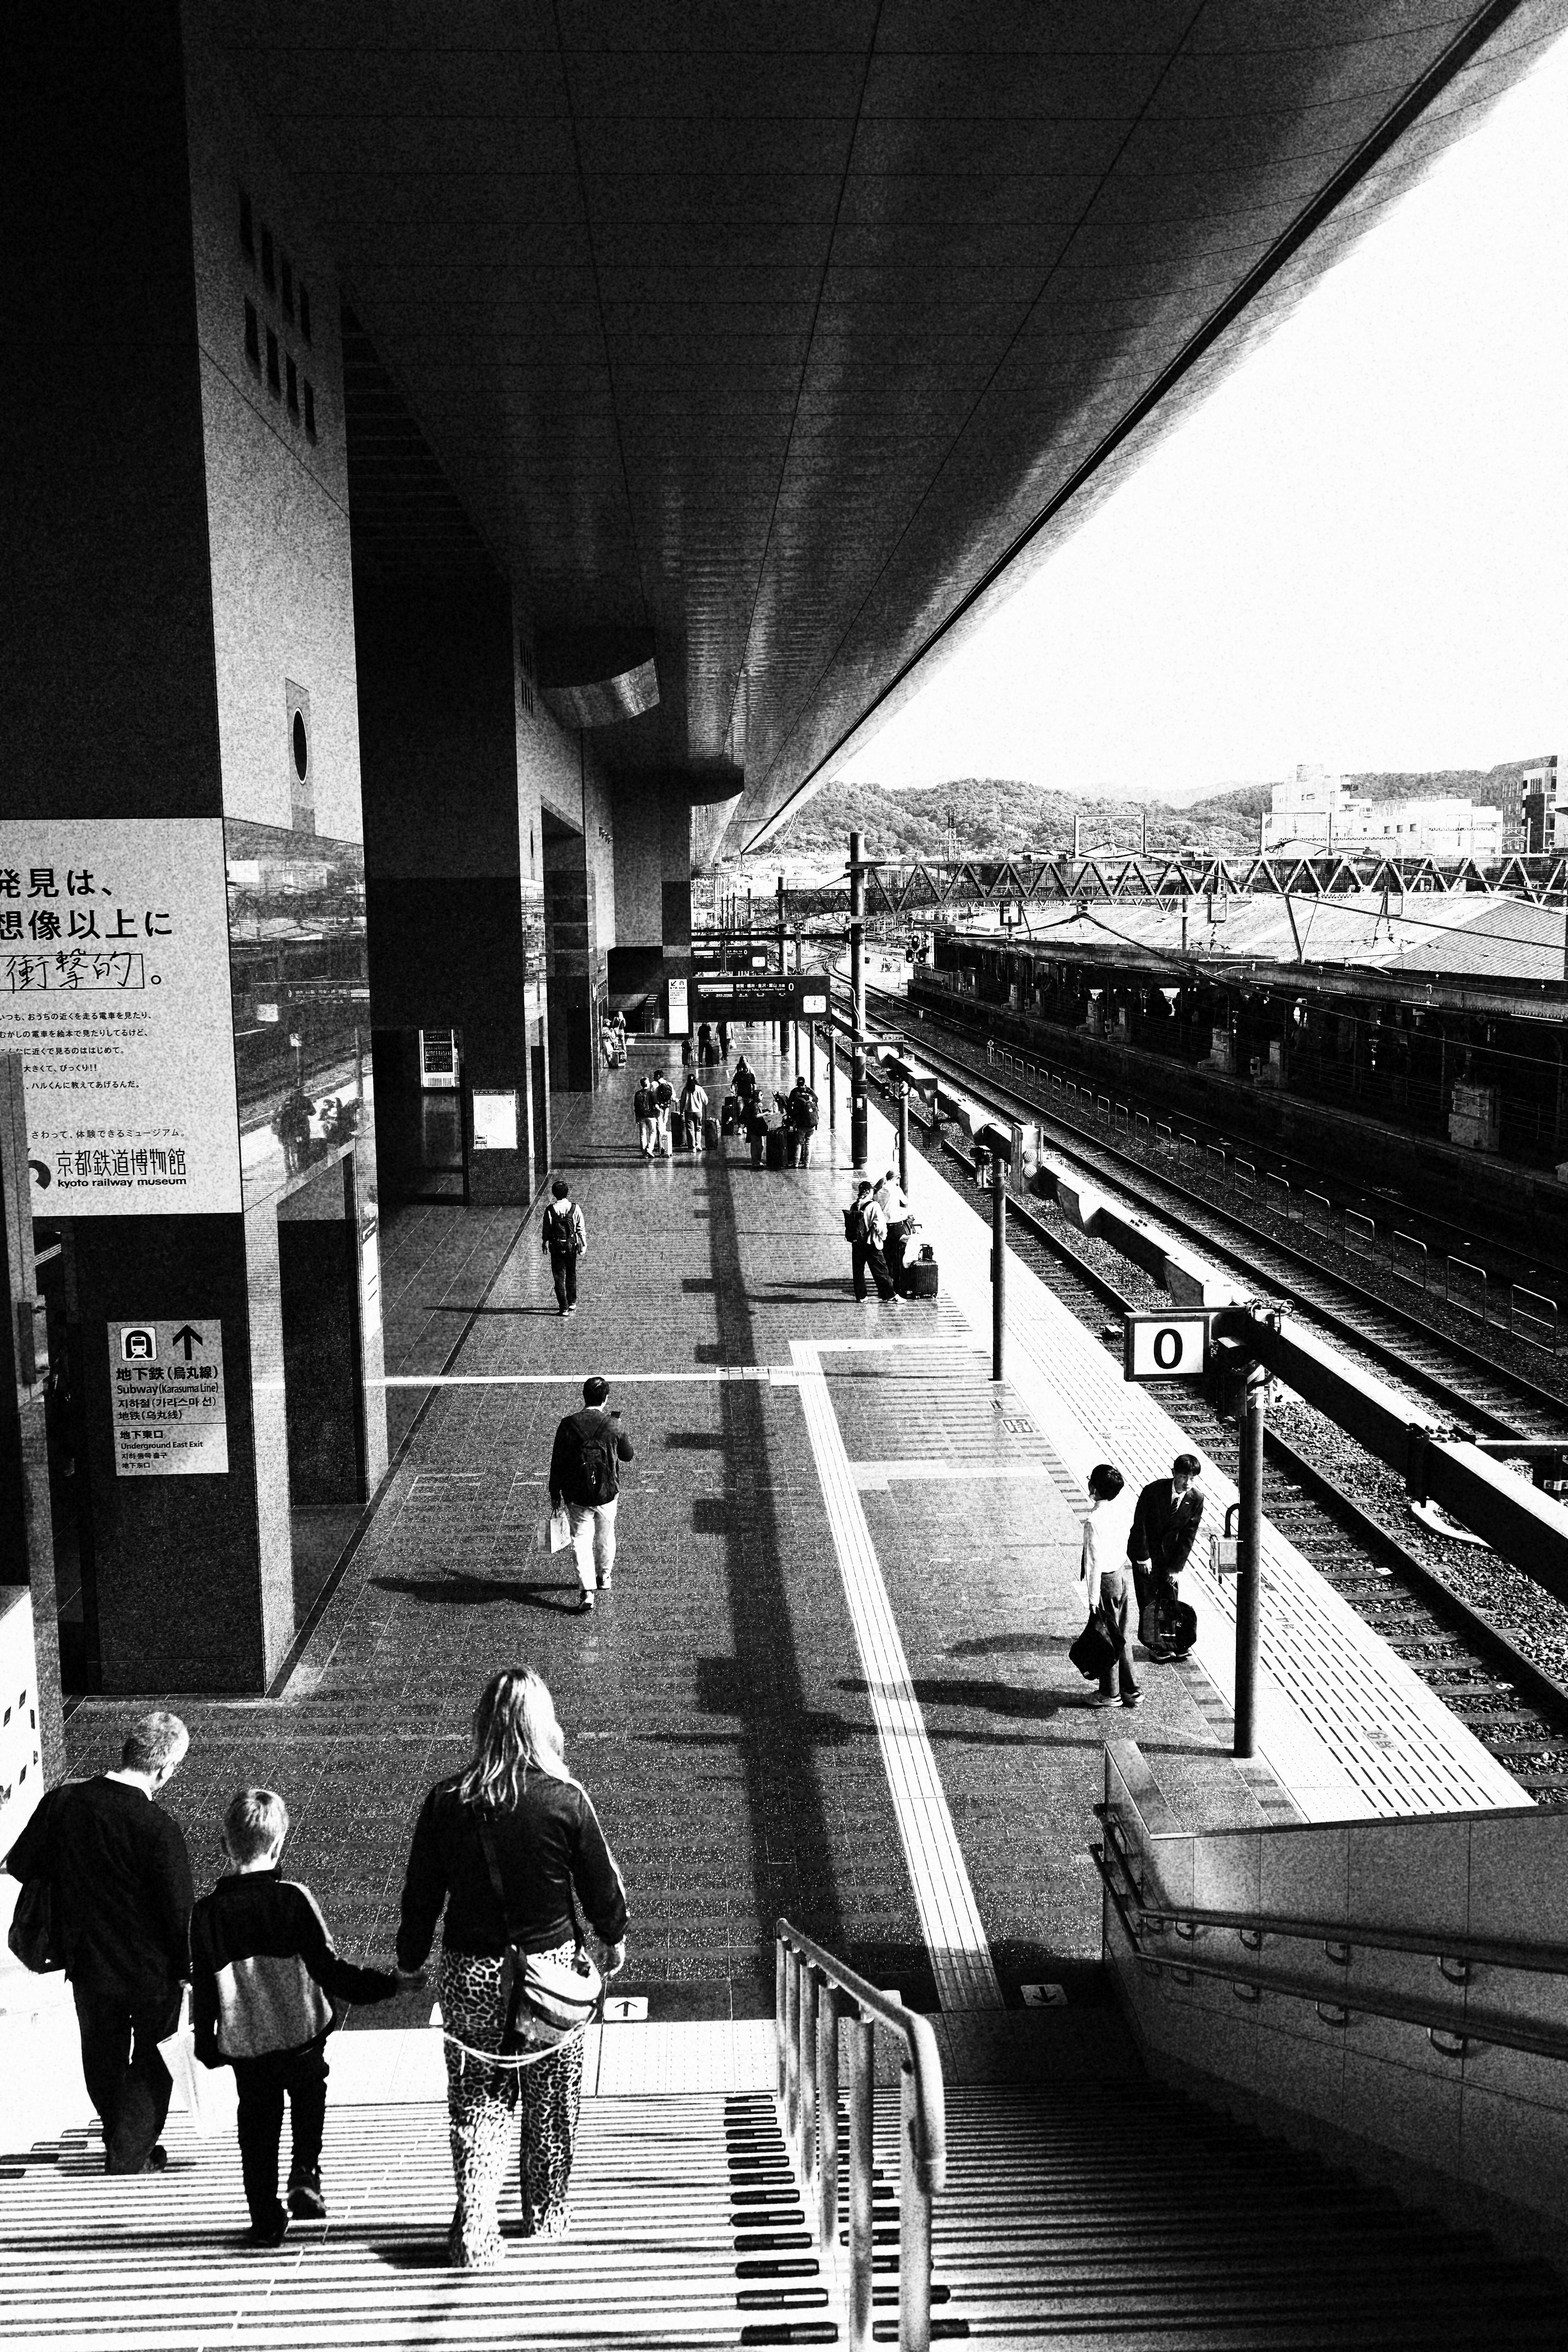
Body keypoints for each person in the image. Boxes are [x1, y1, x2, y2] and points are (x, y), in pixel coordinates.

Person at [395, 1669, 628, 2267]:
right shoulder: (564, 1798)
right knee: (552, 2097)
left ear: (484, 1724)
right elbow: (600, 1886)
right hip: (550, 1973)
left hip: (472, 1970)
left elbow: (422, 1893)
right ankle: (547, 2216)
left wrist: (411, 1957)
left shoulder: (447, 1800)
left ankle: (476, 2227)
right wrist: (613, 1936)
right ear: (541, 1723)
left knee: (477, 2097)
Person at [191, 1789, 397, 2247]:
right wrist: (389, 1986)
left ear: (226, 1846)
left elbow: (204, 1989)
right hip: (302, 2030)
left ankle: (265, 2216)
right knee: (309, 2092)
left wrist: (207, 2042)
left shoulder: (205, 1916)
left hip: (246, 2043)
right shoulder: (294, 1900)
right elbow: (331, 1970)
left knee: (257, 2125)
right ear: (279, 1843)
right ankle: (306, 2169)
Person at [4, 1710, 193, 2175]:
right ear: (164, 1768)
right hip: (152, 1971)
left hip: (87, 1959)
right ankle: (129, 2153)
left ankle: (123, 2140)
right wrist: (191, 1972)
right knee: (154, 2055)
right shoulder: (158, 1829)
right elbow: (179, 1914)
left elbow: (23, 1864)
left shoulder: (64, 1803)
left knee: (103, 2054)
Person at [548, 1375, 635, 1614]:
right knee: (606, 1537)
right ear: (606, 1398)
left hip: (577, 1495)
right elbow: (628, 1455)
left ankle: (587, 1591)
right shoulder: (615, 1425)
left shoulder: (568, 1425)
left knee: (581, 1541)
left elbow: (558, 1462)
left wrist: (555, 1493)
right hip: (607, 1492)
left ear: (584, 1396)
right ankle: (604, 1578)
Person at [1130, 1452, 1204, 1659]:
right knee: (1149, 1600)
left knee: (1170, 1599)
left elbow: (1189, 1536)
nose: (1187, 1483)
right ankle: (1155, 1645)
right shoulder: (1153, 1491)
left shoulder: (1196, 1499)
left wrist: (1177, 1568)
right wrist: (1143, 1558)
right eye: (1183, 1477)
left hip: (1170, 1558)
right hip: (1146, 1554)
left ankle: (1171, 1641)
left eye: (1192, 1479)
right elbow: (1140, 1526)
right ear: (1174, 1474)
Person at [1081, 1463, 1141, 1710]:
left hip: (1106, 1581)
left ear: (1093, 1488)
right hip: (1121, 1575)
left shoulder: (1094, 1520)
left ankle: (1110, 1692)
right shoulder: (1122, 1510)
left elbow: (1094, 1562)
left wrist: (1093, 1599)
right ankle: (1131, 1688)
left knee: (1107, 1638)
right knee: (1121, 1635)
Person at [541, 1178, 586, 1317]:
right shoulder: (575, 1207)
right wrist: (584, 1244)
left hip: (556, 1247)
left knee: (559, 1277)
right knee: (571, 1274)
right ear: (567, 1193)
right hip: (571, 1246)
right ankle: (572, 1302)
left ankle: (564, 1308)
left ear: (554, 1194)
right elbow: (581, 1229)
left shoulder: (550, 1210)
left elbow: (546, 1230)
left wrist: (544, 1243)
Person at [846, 1180, 897, 1303]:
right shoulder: (874, 1206)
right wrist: (883, 1238)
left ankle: (862, 1296)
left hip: (857, 1243)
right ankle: (890, 1296)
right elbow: (881, 1226)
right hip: (871, 1243)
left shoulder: (854, 1206)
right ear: (869, 1192)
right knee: (881, 1270)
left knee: (858, 1271)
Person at [875, 1167, 913, 1293]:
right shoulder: (896, 1189)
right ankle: (897, 1280)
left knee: (886, 1254)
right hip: (896, 1226)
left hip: (883, 1227)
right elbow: (905, 1201)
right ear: (896, 1179)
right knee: (897, 1254)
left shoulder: (879, 1191)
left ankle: (888, 1278)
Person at [786, 1074, 820, 1166]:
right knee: (808, 1144)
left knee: (799, 1144)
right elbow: (817, 1099)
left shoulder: (798, 1097)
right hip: (812, 1124)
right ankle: (807, 1164)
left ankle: (796, 1163)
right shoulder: (810, 1093)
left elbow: (793, 1109)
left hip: (802, 1125)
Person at [679, 1071, 708, 1154]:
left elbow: (682, 1102)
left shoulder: (685, 1090)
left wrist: (681, 1112)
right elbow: (706, 1101)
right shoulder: (699, 1089)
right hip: (698, 1112)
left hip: (689, 1112)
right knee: (698, 1128)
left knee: (690, 1130)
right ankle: (698, 1144)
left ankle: (692, 1148)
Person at [632, 1074, 659, 1160]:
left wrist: (637, 1117)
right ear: (648, 1085)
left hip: (641, 1116)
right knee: (653, 1132)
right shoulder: (651, 1093)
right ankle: (650, 1149)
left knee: (643, 1135)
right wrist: (660, 1111)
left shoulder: (638, 1094)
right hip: (651, 1116)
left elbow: (636, 1106)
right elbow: (656, 1105)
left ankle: (645, 1154)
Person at [652, 1073, 675, 1157]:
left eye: (654, 1076)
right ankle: (664, 1143)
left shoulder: (654, 1084)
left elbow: (652, 1095)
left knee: (659, 1124)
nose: (654, 1077)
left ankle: (660, 1143)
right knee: (664, 1124)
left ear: (658, 1076)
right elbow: (673, 1097)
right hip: (666, 1106)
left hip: (658, 1107)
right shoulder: (669, 1084)